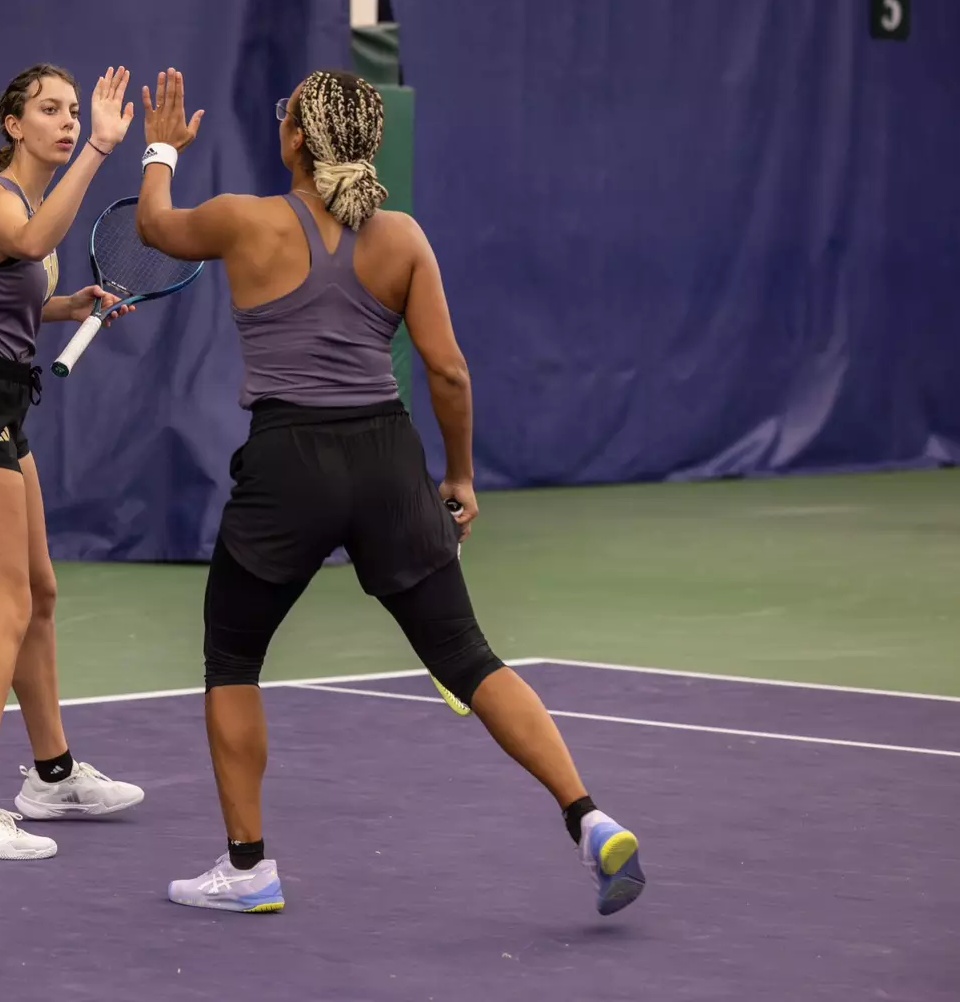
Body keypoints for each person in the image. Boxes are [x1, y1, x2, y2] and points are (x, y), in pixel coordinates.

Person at [132, 67, 646, 913]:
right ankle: (586, 817)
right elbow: (447, 369)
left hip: (286, 462)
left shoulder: (244, 220)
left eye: (282, 113)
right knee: (470, 658)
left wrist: (161, 146)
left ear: (295, 137)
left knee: (232, 658)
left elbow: (153, 224)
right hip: (386, 459)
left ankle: (251, 868)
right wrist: (460, 475)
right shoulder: (402, 238)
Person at [0, 63, 146, 860]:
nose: (68, 121)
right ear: (13, 124)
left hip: (4, 405)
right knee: (3, 609)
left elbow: (9, 293)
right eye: (50, 110)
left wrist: (66, 305)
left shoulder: (31, 210)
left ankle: (51, 775)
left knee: (39, 592)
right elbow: (34, 242)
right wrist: (104, 152)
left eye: (76, 113)